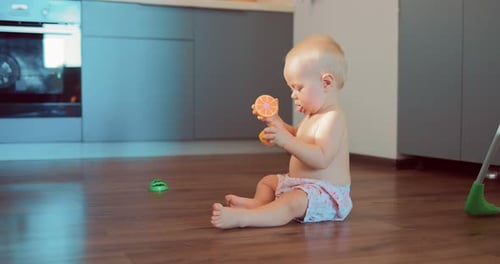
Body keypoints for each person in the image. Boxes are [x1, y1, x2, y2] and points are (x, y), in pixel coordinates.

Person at [211, 34, 352, 229]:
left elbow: (321, 158)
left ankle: (245, 218)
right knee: (268, 182)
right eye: (291, 88)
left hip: (324, 193)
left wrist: (286, 140)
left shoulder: (333, 118)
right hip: (300, 184)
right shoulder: (312, 116)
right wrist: (276, 122)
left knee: (291, 203)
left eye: (298, 88)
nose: (293, 95)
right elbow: (298, 139)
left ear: (326, 83)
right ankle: (259, 205)